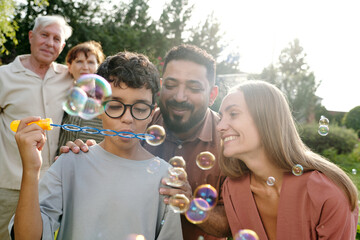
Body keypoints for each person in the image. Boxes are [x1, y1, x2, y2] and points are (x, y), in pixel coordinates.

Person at [60, 44, 231, 239]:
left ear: (212, 95)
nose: (179, 96)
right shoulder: (137, 122)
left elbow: (230, 223)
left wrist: (190, 204)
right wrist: (88, 154)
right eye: (171, 85)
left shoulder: (229, 141)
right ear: (159, 86)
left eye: (193, 87)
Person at [9, 52, 183, 240]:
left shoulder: (165, 179)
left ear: (152, 112)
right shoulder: (70, 163)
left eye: (140, 108)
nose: (128, 118)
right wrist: (31, 170)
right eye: (115, 106)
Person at [217, 80, 359, 239]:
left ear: (266, 119)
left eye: (233, 114)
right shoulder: (233, 189)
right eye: (220, 116)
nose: (220, 126)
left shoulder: (327, 193)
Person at [0, 15, 73, 240]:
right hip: (9, 185)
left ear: (62, 46)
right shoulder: (3, 76)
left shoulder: (70, 77)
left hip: (52, 185)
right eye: (44, 35)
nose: (50, 43)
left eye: (56, 39)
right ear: (31, 37)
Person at [58, 40, 106, 148]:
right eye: (79, 61)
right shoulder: (61, 94)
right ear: (69, 66)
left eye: (90, 62)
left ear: (98, 66)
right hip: (64, 160)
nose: (85, 67)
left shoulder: (106, 99)